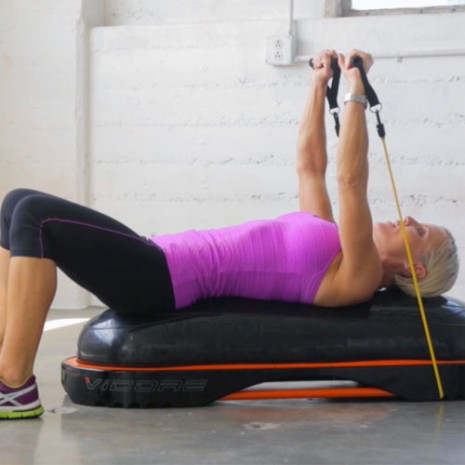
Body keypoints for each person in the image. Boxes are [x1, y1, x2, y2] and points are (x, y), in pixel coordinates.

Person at [0, 49, 458, 419]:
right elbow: (310, 166)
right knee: (16, 203)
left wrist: (356, 89)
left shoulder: (359, 274)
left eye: (419, 231)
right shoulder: (332, 241)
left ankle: (14, 384)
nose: (407, 219)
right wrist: (319, 85)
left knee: (35, 217)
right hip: (157, 258)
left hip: (161, 282)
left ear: (415, 269)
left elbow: (351, 180)